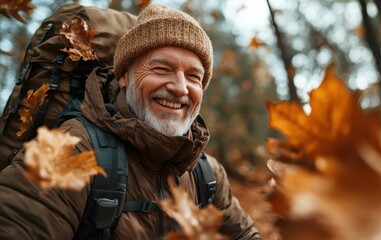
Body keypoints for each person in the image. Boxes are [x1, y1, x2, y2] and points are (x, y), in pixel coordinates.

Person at [0, 4, 261, 239]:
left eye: (194, 77)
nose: (181, 88)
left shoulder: (207, 174)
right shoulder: (72, 149)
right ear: (124, 75)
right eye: (161, 68)